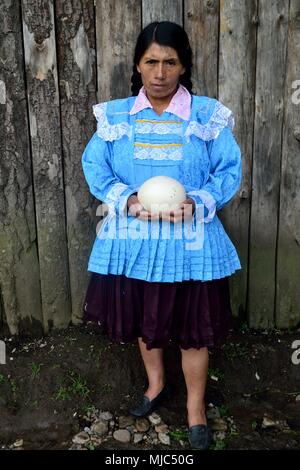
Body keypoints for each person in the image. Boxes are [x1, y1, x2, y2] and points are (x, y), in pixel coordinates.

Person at [81, 21, 242, 450]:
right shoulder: (116, 117)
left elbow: (229, 169)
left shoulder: (206, 116)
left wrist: (199, 201)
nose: (159, 72)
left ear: (183, 65)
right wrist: (127, 199)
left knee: (195, 328)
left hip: (191, 240)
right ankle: (156, 386)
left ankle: (194, 407)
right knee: (143, 320)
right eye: (151, 61)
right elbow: (96, 167)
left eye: (170, 62)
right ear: (138, 64)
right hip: (132, 240)